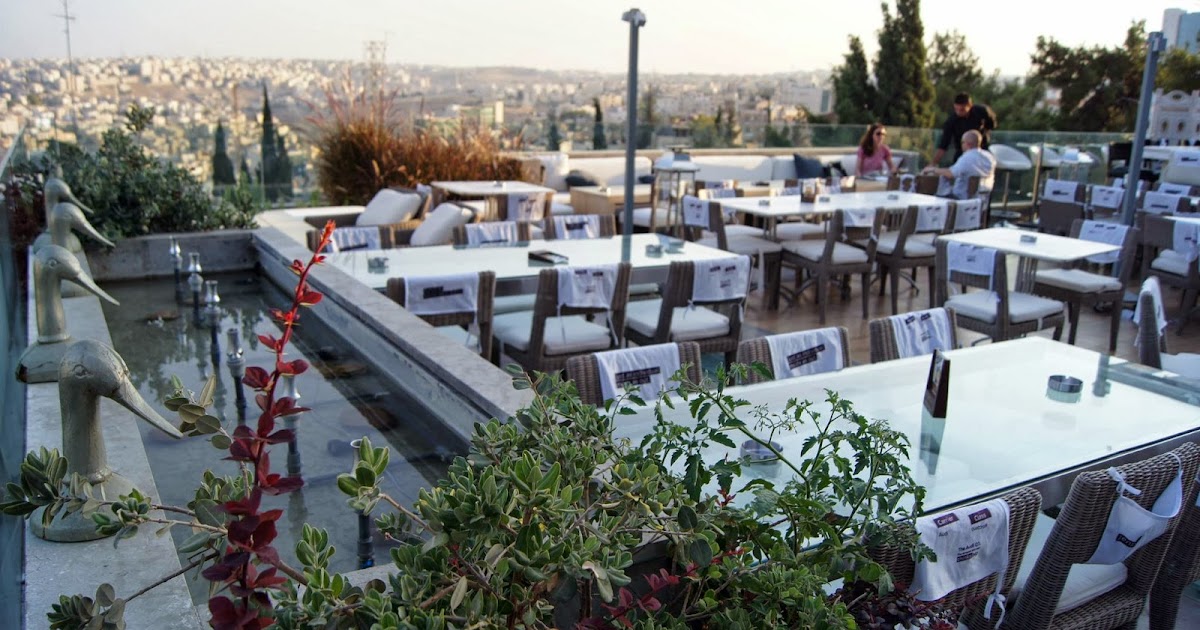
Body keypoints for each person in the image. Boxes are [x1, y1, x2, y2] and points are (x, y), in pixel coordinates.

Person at [922, 130, 995, 199]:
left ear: (967, 143)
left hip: (961, 199)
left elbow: (951, 174)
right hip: (981, 199)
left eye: (962, 142)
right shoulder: (989, 157)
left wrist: (932, 169)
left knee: (928, 198)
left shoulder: (968, 157)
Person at [932, 93, 997, 165]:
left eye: (962, 110)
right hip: (962, 151)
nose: (958, 112)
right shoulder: (952, 121)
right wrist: (933, 163)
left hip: (981, 149)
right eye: (956, 109)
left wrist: (982, 134)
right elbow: (944, 144)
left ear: (970, 106)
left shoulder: (982, 111)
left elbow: (992, 125)